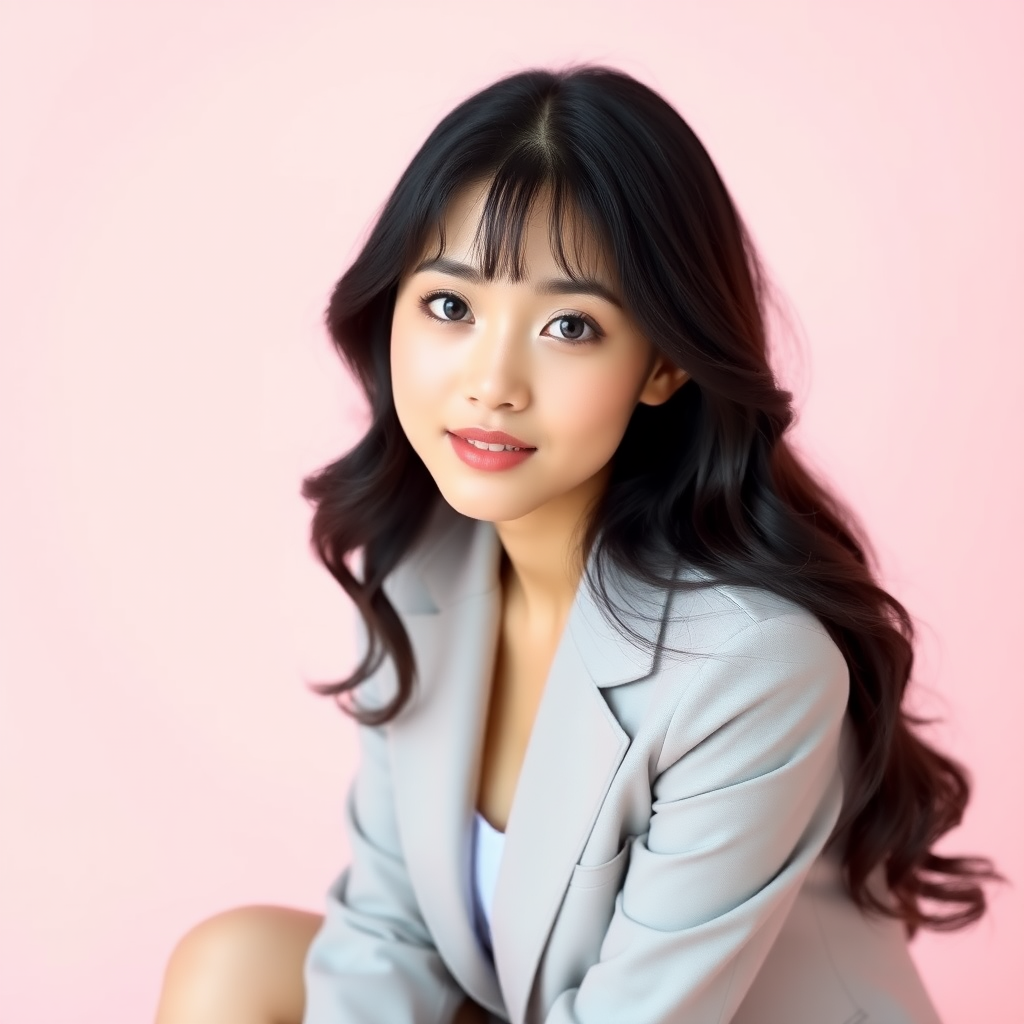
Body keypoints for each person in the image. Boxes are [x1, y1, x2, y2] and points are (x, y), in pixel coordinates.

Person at [153, 63, 1002, 1024]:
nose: (491, 381)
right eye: (450, 306)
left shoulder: (750, 665)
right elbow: (389, 935)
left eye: (569, 325)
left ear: (663, 364)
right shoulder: (419, 570)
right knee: (233, 963)